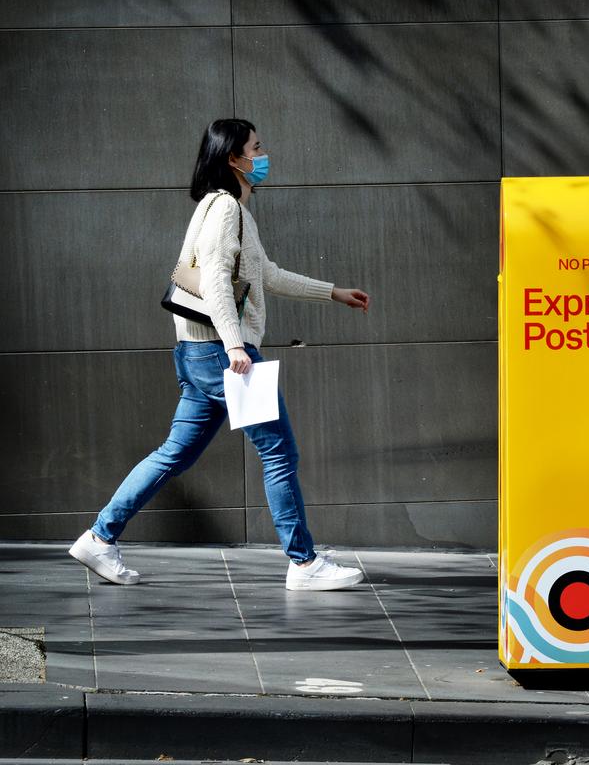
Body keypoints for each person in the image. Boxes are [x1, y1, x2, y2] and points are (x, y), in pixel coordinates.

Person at [69, 118, 370, 591]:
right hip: (221, 353)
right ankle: (304, 563)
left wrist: (333, 292)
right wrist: (234, 344)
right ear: (234, 158)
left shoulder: (231, 210)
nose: (264, 154)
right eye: (257, 147)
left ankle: (99, 537)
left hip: (200, 353)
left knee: (174, 454)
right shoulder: (225, 207)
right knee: (279, 453)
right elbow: (212, 280)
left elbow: (264, 273)